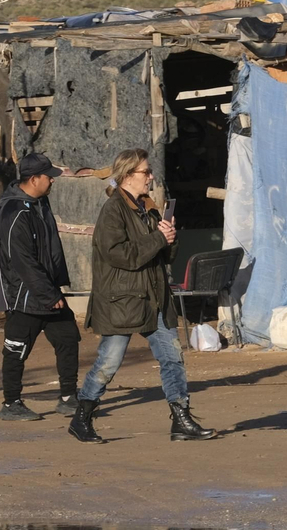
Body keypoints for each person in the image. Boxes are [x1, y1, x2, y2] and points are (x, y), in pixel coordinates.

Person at [71, 148, 217, 443]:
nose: (151, 177)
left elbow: (162, 255)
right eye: (145, 172)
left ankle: (181, 419)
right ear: (127, 176)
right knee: (109, 363)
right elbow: (120, 255)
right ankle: (82, 417)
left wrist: (169, 237)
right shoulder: (113, 211)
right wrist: (158, 238)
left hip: (154, 298)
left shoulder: (147, 208)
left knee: (172, 358)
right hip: (121, 301)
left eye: (150, 172)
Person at [0, 152, 80, 422]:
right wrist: (47, 294)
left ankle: (68, 397)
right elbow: (22, 262)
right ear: (33, 179)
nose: (52, 181)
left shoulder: (39, 204)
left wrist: (54, 288)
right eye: (48, 177)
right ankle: (11, 403)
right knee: (16, 349)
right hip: (24, 296)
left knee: (67, 338)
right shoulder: (13, 213)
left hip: (47, 291)